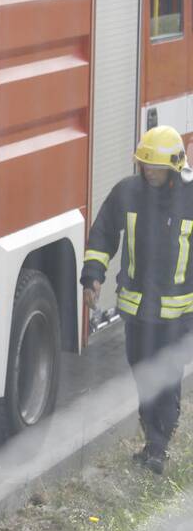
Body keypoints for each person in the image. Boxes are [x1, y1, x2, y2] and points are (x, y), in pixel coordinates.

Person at [82, 124, 193, 475]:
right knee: (144, 375)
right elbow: (101, 234)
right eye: (145, 165)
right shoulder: (127, 193)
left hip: (178, 315)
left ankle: (159, 447)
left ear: (174, 167)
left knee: (166, 376)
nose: (149, 172)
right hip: (138, 311)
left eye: (156, 167)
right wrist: (92, 277)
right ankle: (153, 442)